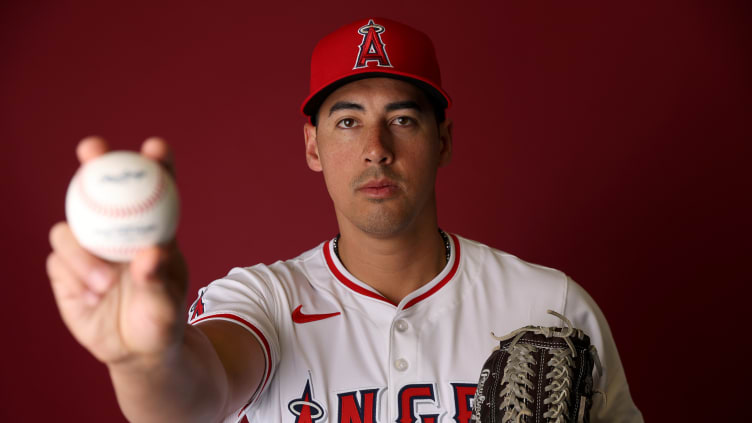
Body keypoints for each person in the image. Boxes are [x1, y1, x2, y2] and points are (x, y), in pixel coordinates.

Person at [47, 17, 642, 423]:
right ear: (313, 147)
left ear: (444, 140)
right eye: (348, 121)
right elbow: (192, 397)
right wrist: (145, 361)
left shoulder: (550, 305)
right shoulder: (262, 300)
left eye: (404, 119)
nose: (376, 147)